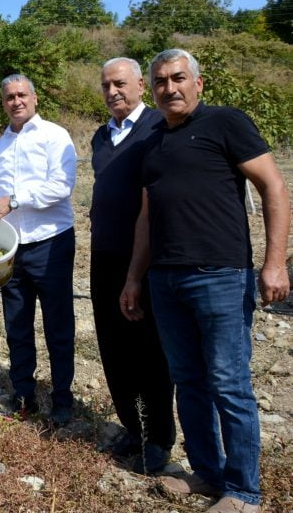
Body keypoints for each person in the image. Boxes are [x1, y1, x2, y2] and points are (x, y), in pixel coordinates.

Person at [121, 49, 290, 513]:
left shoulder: (226, 123)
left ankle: (244, 491)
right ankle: (208, 474)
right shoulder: (153, 143)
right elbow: (147, 217)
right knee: (189, 380)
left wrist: (274, 263)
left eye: (178, 78)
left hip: (219, 274)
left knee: (229, 383)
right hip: (166, 279)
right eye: (160, 81)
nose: (169, 88)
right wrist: (135, 276)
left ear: (198, 83)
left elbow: (273, 186)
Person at [90, 58, 175, 474]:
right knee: (113, 346)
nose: (112, 92)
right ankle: (131, 425)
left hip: (142, 259)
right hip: (103, 254)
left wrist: (137, 274)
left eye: (120, 84)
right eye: (106, 85)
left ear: (141, 84)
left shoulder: (158, 128)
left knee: (148, 348)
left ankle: (159, 437)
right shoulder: (100, 136)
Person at [0, 74, 77, 427]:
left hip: (51, 242)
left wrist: (15, 201)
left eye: (22, 95)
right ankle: (23, 395)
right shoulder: (2, 144)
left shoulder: (55, 136)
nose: (16, 101)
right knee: (17, 325)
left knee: (58, 325)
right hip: (12, 247)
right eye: (9, 97)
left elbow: (62, 186)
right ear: (3, 102)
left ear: (35, 98)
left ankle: (62, 400)